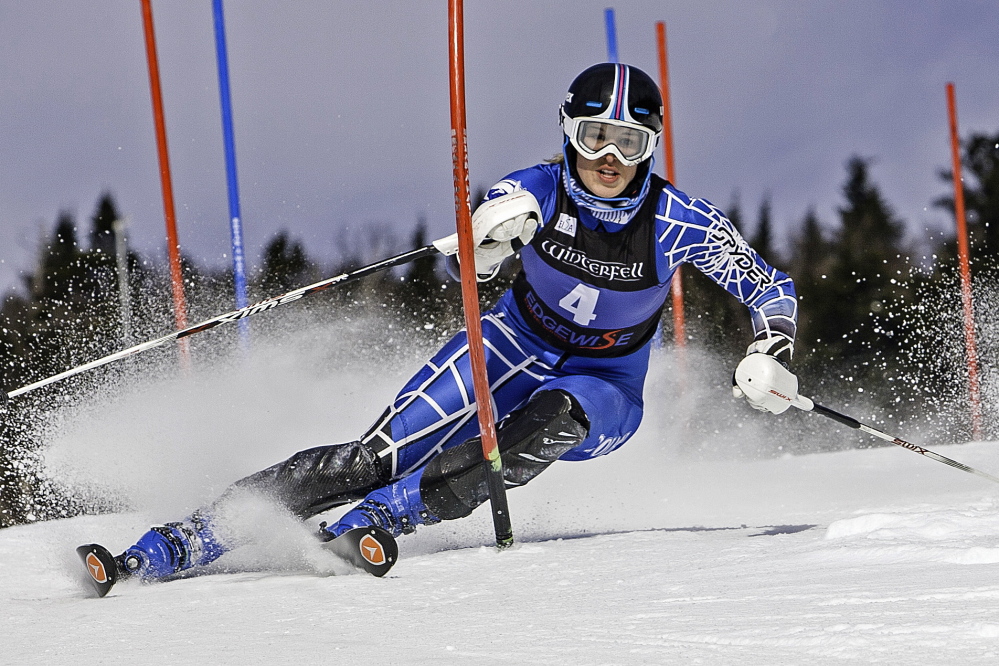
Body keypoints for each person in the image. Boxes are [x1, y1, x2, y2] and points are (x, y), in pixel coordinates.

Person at [110, 63, 800, 580]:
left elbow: (766, 284)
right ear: (568, 133)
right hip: (509, 342)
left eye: (627, 141)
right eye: (593, 137)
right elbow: (481, 238)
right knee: (370, 458)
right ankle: (193, 535)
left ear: (650, 144)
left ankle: (387, 516)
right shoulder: (536, 186)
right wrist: (485, 241)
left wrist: (770, 346)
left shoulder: (681, 222)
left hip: (603, 381)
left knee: (546, 421)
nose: (608, 159)